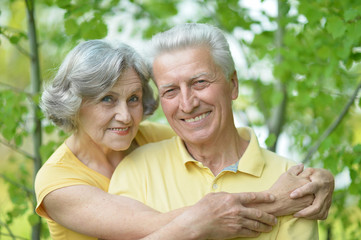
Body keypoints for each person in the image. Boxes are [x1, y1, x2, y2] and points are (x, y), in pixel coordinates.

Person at [35, 39, 332, 239]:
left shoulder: (151, 138)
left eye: (134, 98)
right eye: (107, 99)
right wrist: (278, 202)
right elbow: (160, 228)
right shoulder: (58, 183)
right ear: (75, 103)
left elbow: (225, 144)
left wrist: (316, 179)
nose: (126, 117)